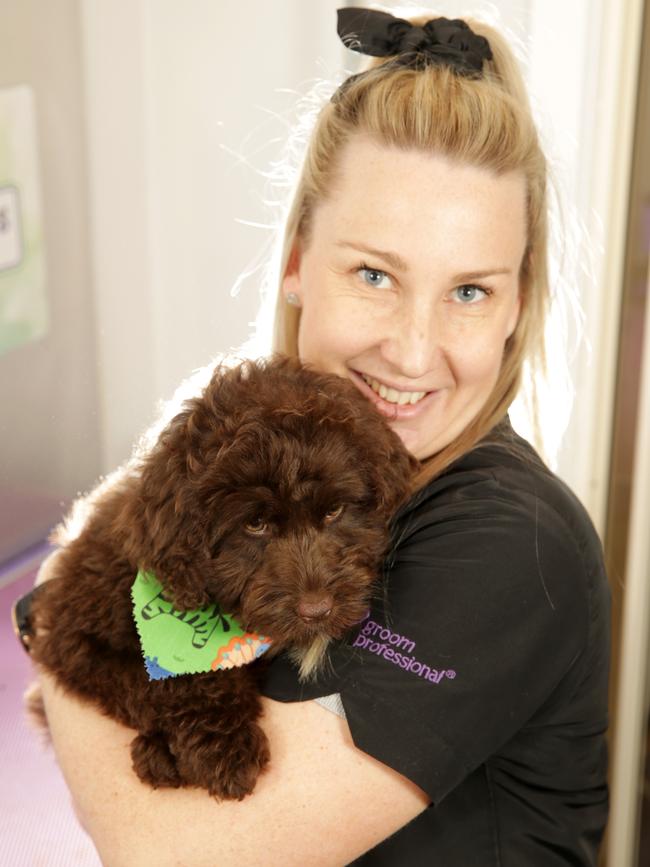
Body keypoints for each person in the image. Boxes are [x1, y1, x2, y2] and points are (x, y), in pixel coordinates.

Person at [34, 7, 611, 865]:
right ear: (297, 259)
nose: (412, 351)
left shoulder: (512, 544)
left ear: (517, 305)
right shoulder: (250, 439)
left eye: (469, 292)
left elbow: (176, 854)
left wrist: (57, 631)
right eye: (374, 273)